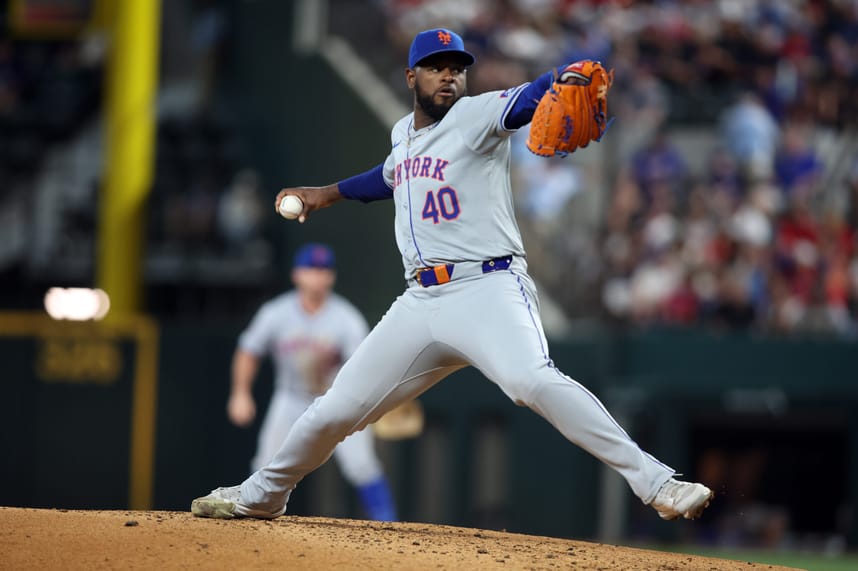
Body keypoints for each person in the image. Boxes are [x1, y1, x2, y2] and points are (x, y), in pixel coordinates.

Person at [192, 28, 713, 522]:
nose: (448, 77)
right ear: (410, 77)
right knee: (334, 410)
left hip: (488, 287)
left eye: (456, 68)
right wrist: (323, 194)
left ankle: (657, 484)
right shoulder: (403, 134)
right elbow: (388, 176)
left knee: (531, 381)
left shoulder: (477, 116)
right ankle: (263, 495)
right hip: (419, 303)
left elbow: (530, 97)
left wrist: (564, 76)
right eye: (435, 68)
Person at [225, 242, 397, 521]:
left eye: (323, 270)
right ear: (297, 274)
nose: (317, 276)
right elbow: (248, 350)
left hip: (335, 401)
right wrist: (240, 393)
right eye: (311, 269)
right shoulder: (276, 313)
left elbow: (365, 366)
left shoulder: (346, 318)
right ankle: (249, 523)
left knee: (362, 465)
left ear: (331, 277)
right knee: (264, 463)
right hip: (291, 398)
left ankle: (389, 525)